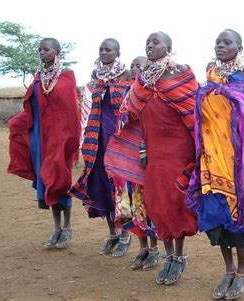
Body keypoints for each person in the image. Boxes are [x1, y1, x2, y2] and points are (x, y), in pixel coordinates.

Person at [186, 29, 244, 300]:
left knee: (238, 218)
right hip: (210, 159)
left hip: (239, 160)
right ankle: (228, 270)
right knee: (216, 215)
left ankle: (243, 271)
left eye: (227, 42)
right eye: (217, 42)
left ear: (239, 47)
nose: (220, 46)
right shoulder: (210, 76)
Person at [113, 31, 198, 284]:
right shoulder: (142, 79)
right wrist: (141, 148)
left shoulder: (180, 74)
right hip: (152, 151)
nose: (150, 46)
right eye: (147, 43)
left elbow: (194, 113)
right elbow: (134, 116)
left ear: (169, 47)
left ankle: (179, 257)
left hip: (178, 150)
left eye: (155, 42)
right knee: (157, 203)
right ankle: (168, 255)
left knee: (175, 201)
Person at [8, 38, 80, 249]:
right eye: (39, 49)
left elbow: (71, 112)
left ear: (57, 52)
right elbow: (33, 107)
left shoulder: (66, 77)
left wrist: (69, 141)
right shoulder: (39, 77)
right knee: (47, 180)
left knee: (60, 180)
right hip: (40, 137)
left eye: (46, 49)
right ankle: (56, 228)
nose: (41, 52)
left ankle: (67, 227)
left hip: (60, 138)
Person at [70, 38, 133, 257]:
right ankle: (112, 233)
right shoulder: (95, 77)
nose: (104, 52)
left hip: (117, 140)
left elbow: (129, 108)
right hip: (95, 140)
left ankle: (126, 234)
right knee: (100, 185)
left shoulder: (126, 76)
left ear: (118, 52)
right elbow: (87, 109)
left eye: (109, 49)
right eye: (101, 49)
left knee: (119, 185)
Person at [104, 55, 160, 270]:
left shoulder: (154, 93)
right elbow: (122, 122)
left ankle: (155, 249)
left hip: (150, 156)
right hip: (130, 157)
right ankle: (143, 248)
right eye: (134, 66)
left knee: (149, 205)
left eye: (141, 65)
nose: (137, 69)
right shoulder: (130, 93)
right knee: (135, 205)